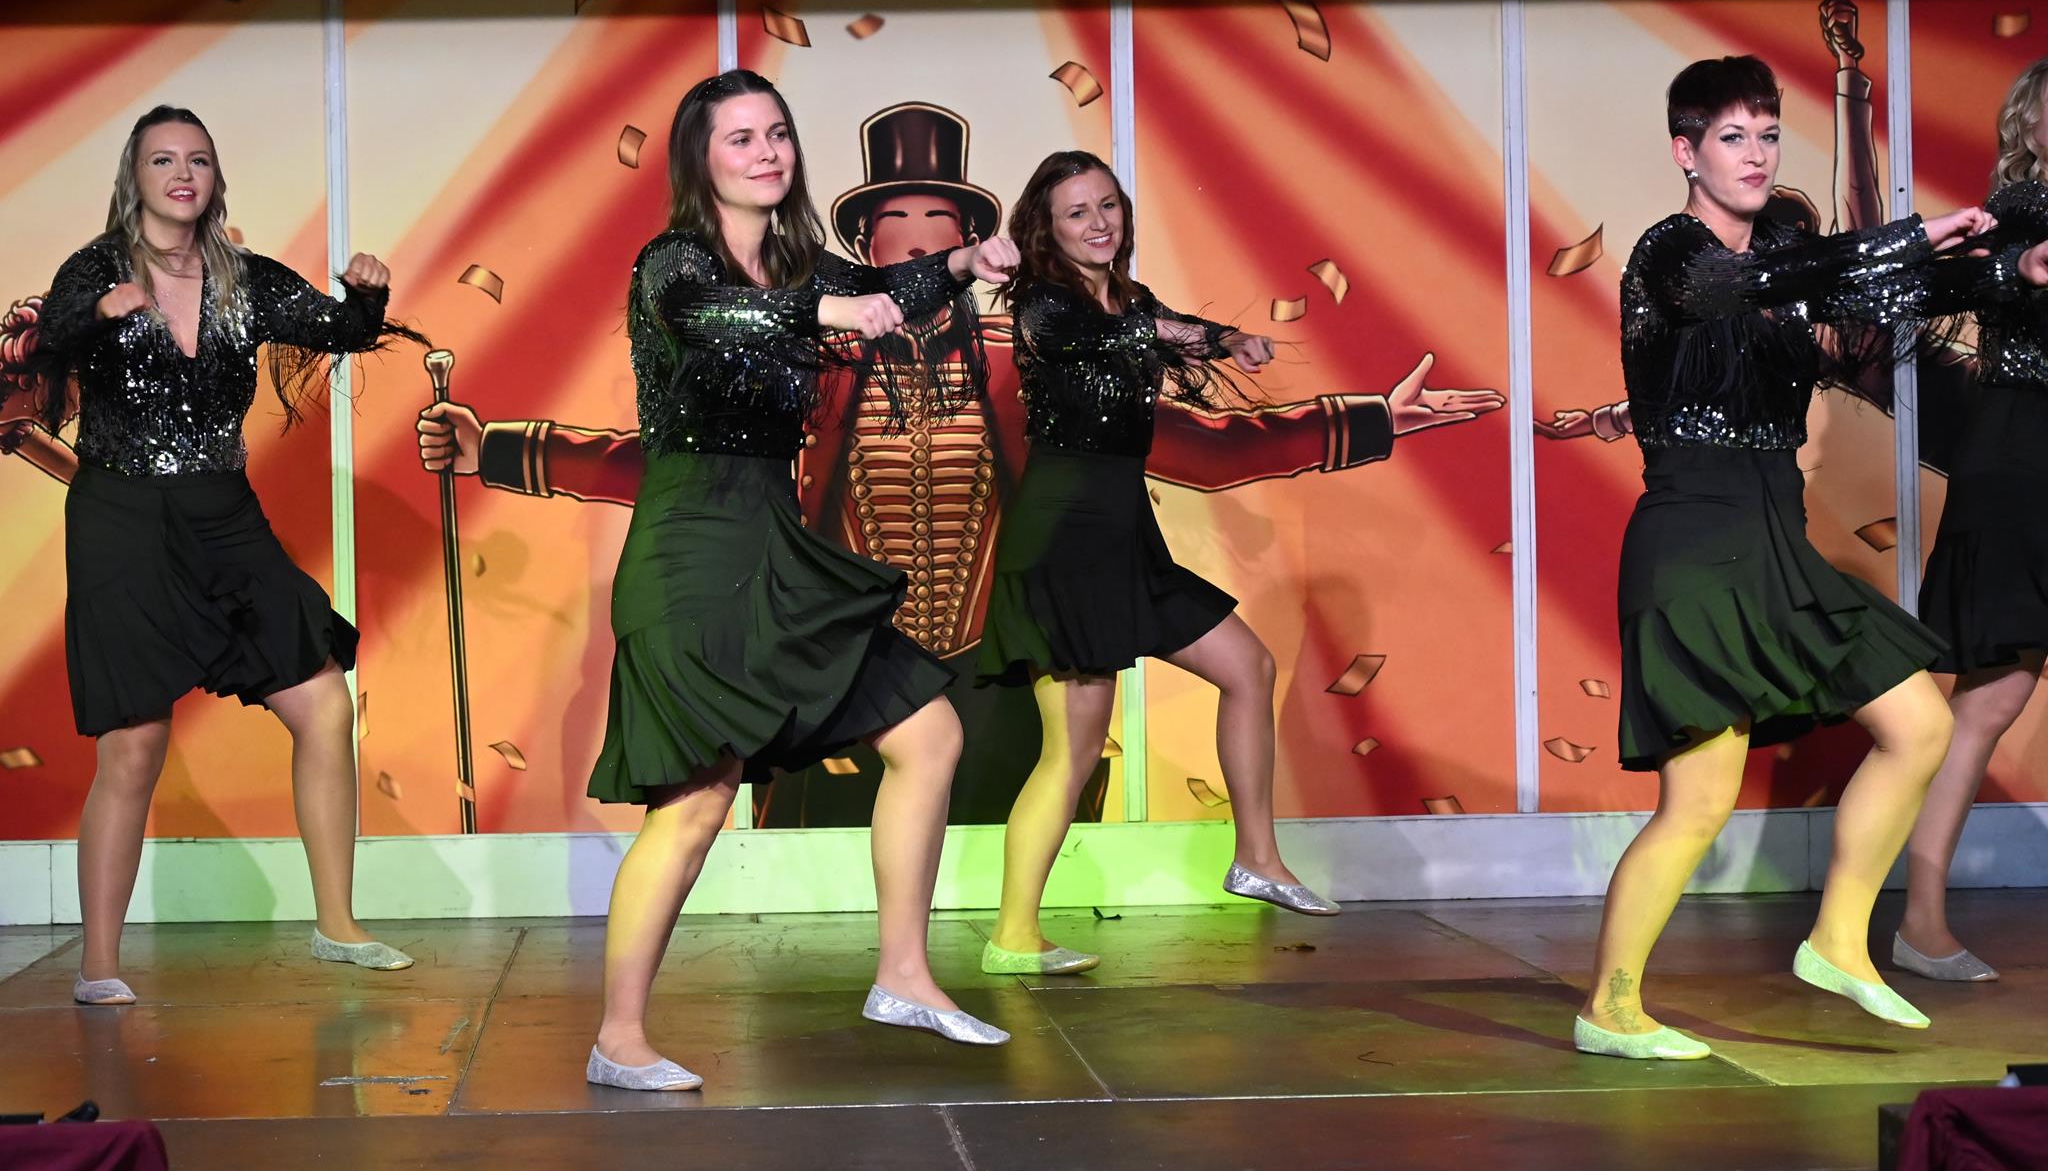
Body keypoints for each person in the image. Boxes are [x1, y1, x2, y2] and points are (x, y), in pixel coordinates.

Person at [416, 101, 1497, 829]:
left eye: (939, 229)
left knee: (1009, 803)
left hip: (988, 657)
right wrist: (495, 448)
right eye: (894, 227)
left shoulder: (1022, 355)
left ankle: (964, 963)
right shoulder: (815, 346)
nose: (914, 243)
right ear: (866, 248)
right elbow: (670, 454)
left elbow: (1201, 447)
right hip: (842, 647)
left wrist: (1368, 420)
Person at [1575, 57, 2047, 1060]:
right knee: (1697, 802)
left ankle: (1837, 940)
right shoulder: (1671, 251)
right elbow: (1750, 282)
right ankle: (1609, 1006)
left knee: (1918, 722)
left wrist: (2007, 271)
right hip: (1695, 548)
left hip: (1774, 542)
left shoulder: (1790, 255)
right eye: (1731, 137)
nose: (1753, 154)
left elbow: (1879, 282)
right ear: (1686, 152)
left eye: (1766, 135)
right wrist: (1903, 235)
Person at [582, 70, 1021, 1092]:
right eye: (740, 138)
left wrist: (964, 260)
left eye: (776, 132)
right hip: (692, 548)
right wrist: (830, 304)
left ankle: (903, 974)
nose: (766, 151)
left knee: (929, 734)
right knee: (696, 801)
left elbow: (886, 289)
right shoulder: (674, 260)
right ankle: (618, 1036)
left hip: (777, 543)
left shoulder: (801, 263)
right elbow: (709, 314)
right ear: (700, 160)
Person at [971, 149, 1502, 974]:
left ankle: (1255, 856)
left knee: (1247, 667)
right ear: (1046, 228)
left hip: (1123, 538)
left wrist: (1269, 362)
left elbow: (1177, 366)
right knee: (1070, 753)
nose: (1099, 223)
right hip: (1064, 545)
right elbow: (1128, 335)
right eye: (1078, 212)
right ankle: (1013, 935)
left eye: (1108, 205)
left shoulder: (1130, 297)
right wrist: (1218, 338)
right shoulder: (1045, 304)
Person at [26, 105, 422, 1005]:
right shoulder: (96, 267)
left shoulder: (246, 280)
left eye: (197, 160)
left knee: (324, 702)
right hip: (122, 515)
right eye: (163, 160)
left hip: (222, 516)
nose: (182, 174)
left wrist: (367, 296)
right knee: (135, 745)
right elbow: (50, 339)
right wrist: (98, 314)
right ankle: (98, 964)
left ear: (215, 178)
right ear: (134, 178)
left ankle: (337, 923)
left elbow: (343, 332)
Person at [1907, 58, 2048, 982]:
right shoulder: (2022, 216)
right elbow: (1969, 279)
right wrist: (2015, 267)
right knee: (1988, 701)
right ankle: (1918, 917)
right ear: (2029, 128)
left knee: (1990, 702)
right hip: (2022, 459)